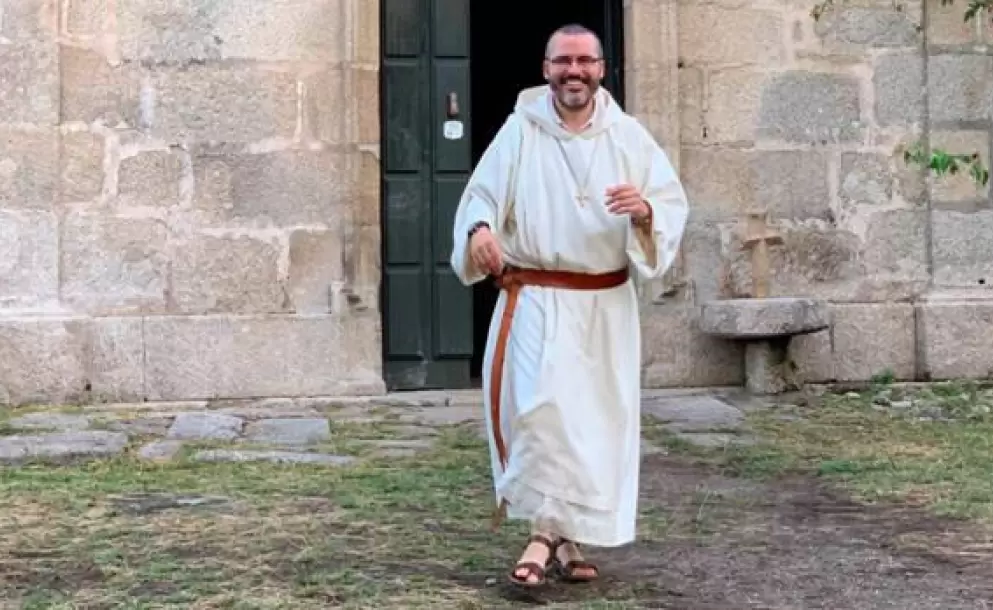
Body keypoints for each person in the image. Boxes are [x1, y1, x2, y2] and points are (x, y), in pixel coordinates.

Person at [449, 23, 690, 587]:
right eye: (563, 62)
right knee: (540, 414)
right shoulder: (521, 132)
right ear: (546, 68)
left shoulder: (628, 137)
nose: (573, 72)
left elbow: (671, 204)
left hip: (603, 306)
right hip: (535, 298)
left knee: (592, 426)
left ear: (601, 69)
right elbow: (480, 196)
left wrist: (647, 213)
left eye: (584, 61)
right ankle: (541, 535)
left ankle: (564, 537)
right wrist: (481, 230)